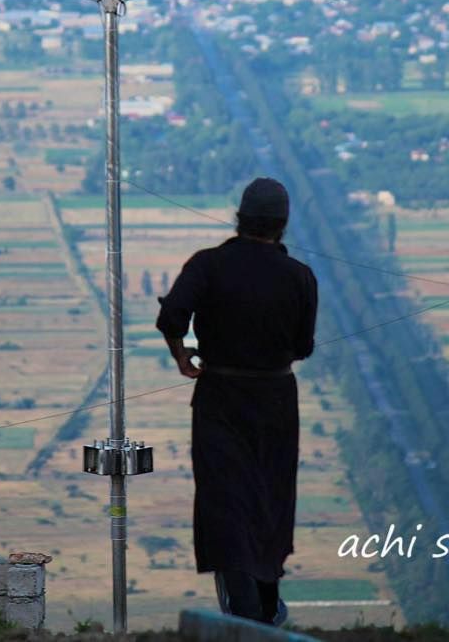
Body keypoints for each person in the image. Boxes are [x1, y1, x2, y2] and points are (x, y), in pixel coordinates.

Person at [155, 177, 318, 625]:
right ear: (282, 225)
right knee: (270, 498)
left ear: (239, 219)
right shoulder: (299, 276)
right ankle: (266, 605)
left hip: (220, 397)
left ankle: (243, 607)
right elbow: (302, 346)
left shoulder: (207, 265)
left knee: (225, 498)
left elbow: (171, 317)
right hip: (276, 402)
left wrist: (182, 355)